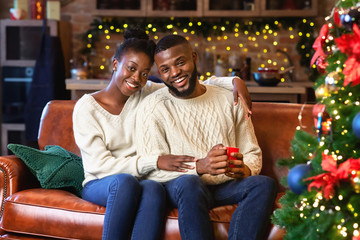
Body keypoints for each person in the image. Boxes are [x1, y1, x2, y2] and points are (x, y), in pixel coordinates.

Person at [72, 28, 252, 240]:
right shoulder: (87, 107)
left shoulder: (145, 92)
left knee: (153, 188)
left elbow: (186, 82)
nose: (136, 78)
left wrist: (233, 81)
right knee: (126, 182)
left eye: (144, 73)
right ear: (114, 64)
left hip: (139, 179)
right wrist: (155, 161)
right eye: (130, 68)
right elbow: (98, 166)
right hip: (101, 182)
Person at [135, 34, 277, 240]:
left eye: (180, 62)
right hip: (180, 187)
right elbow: (151, 170)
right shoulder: (152, 107)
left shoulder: (230, 99)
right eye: (165, 69)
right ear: (160, 73)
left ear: (194, 57)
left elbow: (252, 152)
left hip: (223, 185)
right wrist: (199, 167)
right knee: (189, 183)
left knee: (264, 184)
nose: (174, 73)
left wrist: (244, 169)